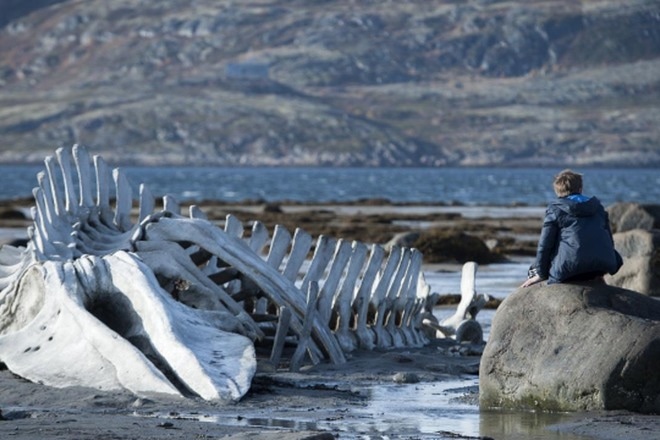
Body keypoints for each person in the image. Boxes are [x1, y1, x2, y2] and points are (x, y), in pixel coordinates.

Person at [521, 169, 623, 288]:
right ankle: (596, 276)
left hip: (571, 270)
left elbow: (545, 245)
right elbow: (609, 241)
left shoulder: (555, 209)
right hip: (602, 267)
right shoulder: (598, 208)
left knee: (533, 269)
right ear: (580, 189)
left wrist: (541, 274)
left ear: (558, 192)